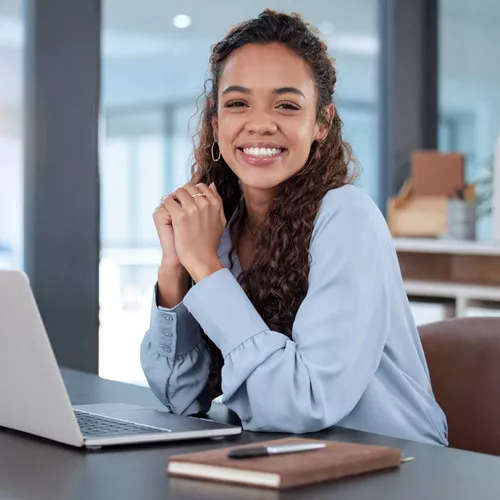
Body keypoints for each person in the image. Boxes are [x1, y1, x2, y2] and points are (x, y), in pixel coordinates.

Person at [140, 9, 447, 445]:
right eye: (237, 103)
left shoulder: (347, 217)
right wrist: (175, 267)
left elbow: (304, 403)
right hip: (287, 458)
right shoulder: (220, 226)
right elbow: (180, 398)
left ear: (321, 122)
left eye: (286, 105)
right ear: (216, 124)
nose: (261, 123)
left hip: (392, 466)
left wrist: (206, 269)